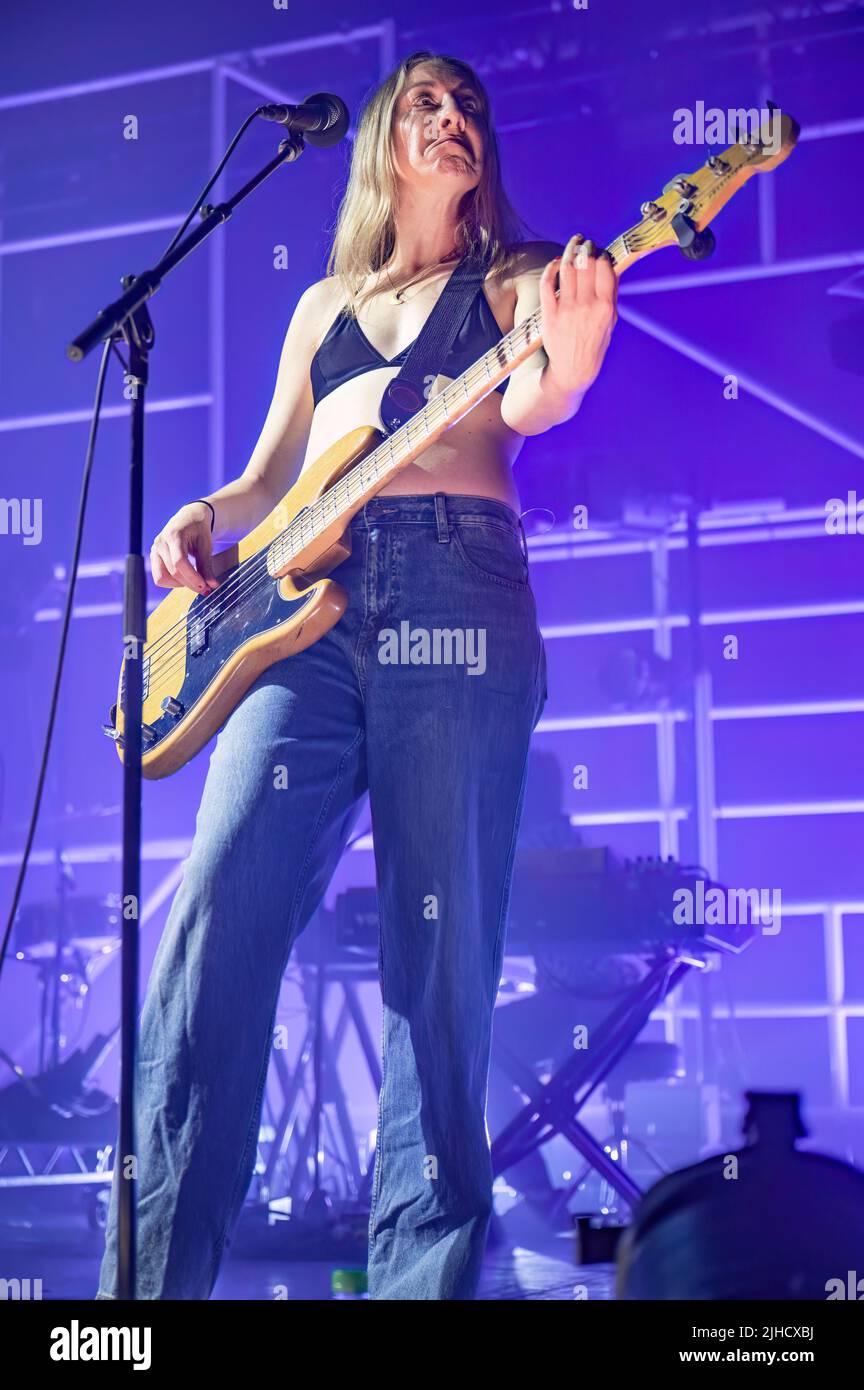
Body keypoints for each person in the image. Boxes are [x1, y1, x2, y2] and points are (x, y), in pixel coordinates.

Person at [96, 48, 618, 1301]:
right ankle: (143, 1306)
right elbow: (269, 479)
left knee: (436, 979)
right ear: (385, 139)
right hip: (297, 620)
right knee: (215, 923)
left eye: (471, 107)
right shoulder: (323, 308)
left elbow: (538, 400)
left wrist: (579, 353)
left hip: (459, 595)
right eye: (428, 104)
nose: (455, 119)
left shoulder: (518, 280)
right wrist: (196, 519)